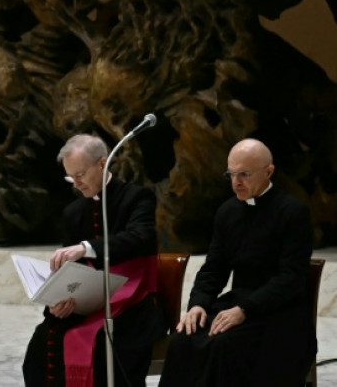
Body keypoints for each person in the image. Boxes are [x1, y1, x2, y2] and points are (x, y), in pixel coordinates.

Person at [158, 138, 314, 387]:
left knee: (224, 344)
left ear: (269, 172)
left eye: (244, 174)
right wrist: (198, 304)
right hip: (238, 303)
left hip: (279, 313)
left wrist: (245, 310)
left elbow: (291, 278)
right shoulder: (227, 212)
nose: (236, 182)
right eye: (231, 174)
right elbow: (214, 268)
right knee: (182, 339)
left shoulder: (293, 212)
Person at [23, 134, 164, 387]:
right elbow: (69, 271)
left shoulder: (137, 198)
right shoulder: (74, 212)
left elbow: (139, 237)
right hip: (87, 302)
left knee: (105, 344)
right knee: (43, 339)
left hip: (133, 304)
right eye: (71, 177)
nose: (76, 184)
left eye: (81, 175)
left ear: (102, 163)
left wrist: (86, 248)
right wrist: (55, 304)